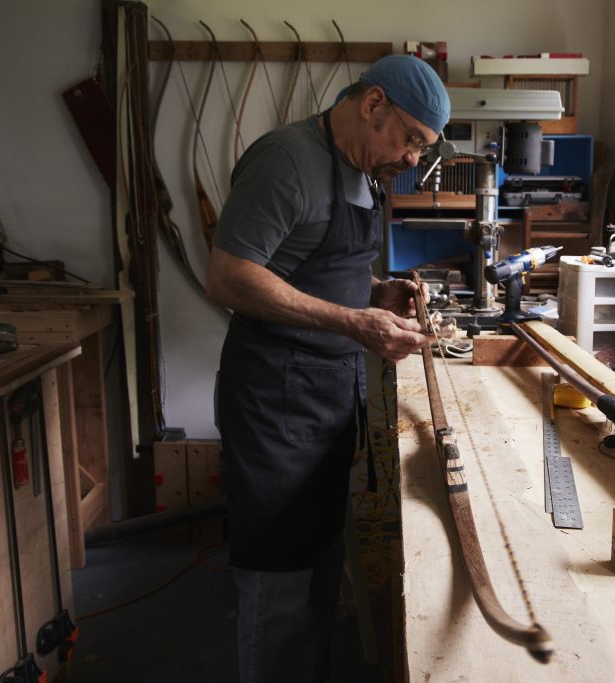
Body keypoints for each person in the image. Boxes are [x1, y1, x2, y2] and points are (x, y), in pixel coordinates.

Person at [206, 55, 451, 682]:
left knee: (319, 558)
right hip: (275, 398)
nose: (412, 160)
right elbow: (229, 277)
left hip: (327, 393)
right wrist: (352, 322)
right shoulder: (286, 161)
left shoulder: (362, 169)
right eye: (412, 140)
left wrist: (375, 292)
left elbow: (314, 264)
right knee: (280, 571)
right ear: (372, 105)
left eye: (423, 149)